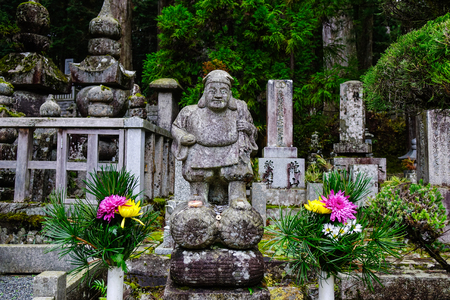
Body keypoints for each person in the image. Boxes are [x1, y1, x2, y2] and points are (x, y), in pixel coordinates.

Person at [171, 70, 258, 206]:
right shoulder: (190, 111)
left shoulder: (240, 110)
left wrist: (248, 128)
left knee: (239, 163)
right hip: (201, 151)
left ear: (230, 94)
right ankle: (198, 195)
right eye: (212, 91)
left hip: (231, 151)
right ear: (205, 93)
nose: (218, 96)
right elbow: (176, 127)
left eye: (223, 91)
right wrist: (182, 137)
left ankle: (237, 196)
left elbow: (253, 132)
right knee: (196, 165)